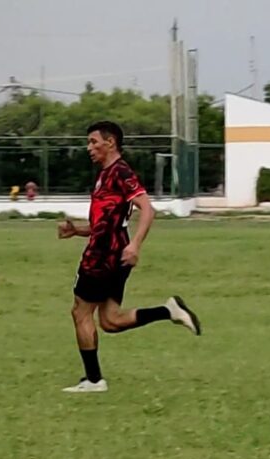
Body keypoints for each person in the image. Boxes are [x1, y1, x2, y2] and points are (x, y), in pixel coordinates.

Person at [57, 121, 201, 393]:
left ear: (110, 143)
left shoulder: (120, 172)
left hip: (104, 254)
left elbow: (147, 209)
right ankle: (169, 310)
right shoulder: (105, 174)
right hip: (112, 248)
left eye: (93, 142)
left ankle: (94, 380)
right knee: (110, 320)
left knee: (80, 311)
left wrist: (136, 244)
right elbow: (107, 222)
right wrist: (77, 230)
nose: (89, 148)